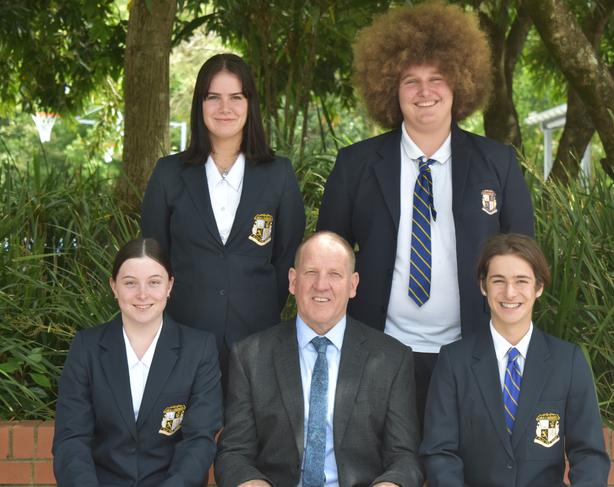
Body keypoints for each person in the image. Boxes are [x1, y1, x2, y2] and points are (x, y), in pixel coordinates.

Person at [317, 1, 535, 424]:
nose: (424, 92)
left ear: (461, 84)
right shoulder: (356, 165)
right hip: (379, 351)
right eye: (410, 81)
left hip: (471, 350)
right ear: (389, 89)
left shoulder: (498, 163)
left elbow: (522, 254)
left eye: (437, 79)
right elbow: (329, 259)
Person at [141, 53, 306, 387]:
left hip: (257, 338)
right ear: (200, 104)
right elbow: (155, 257)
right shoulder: (169, 174)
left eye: (236, 97)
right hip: (184, 338)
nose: (224, 108)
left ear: (250, 104)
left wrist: (258, 303)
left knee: (249, 437)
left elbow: (287, 252)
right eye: (213, 97)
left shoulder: (279, 174)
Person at [215, 231, 422, 487]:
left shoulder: (392, 359)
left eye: (335, 274)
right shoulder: (250, 356)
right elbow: (234, 453)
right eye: (311, 272)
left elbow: (404, 457)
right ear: (292, 281)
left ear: (353, 285)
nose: (321, 285)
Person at [420, 233, 610, 486]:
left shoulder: (568, 362)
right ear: (483, 286)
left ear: (538, 287)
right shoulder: (454, 362)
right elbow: (439, 452)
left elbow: (589, 454)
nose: (510, 293)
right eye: (498, 281)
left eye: (522, 281)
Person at [53, 238, 223, 487]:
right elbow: (71, 438)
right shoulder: (86, 348)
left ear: (169, 286)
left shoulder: (199, 349)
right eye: (130, 283)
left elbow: (199, 440)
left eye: (154, 282)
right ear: (114, 287)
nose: (142, 294)